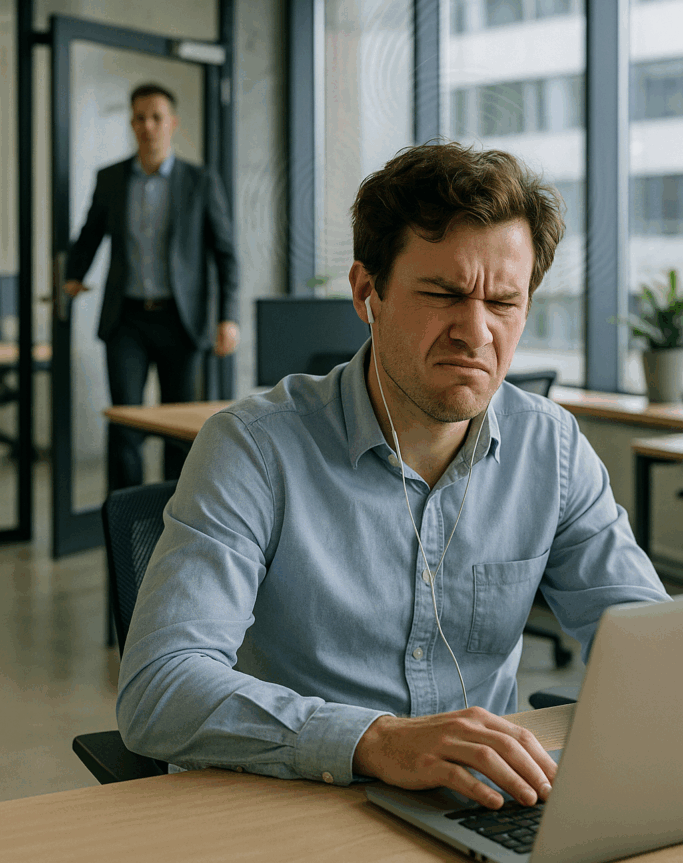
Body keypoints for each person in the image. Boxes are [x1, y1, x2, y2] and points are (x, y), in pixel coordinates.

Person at [117, 141, 669, 810]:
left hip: (484, 809)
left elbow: (649, 652)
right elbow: (159, 689)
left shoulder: (549, 448)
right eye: (442, 293)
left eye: (503, 302)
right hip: (302, 804)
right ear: (365, 292)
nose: (475, 332)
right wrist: (373, 741)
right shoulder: (253, 449)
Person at [64, 82, 239, 490]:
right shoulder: (111, 179)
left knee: (180, 429)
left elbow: (226, 253)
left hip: (182, 320)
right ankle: (127, 525)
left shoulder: (199, 181)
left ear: (172, 123)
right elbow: (91, 233)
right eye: (140, 118)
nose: (148, 126)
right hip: (126, 320)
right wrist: (73, 276)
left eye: (156, 117)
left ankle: (178, 524)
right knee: (124, 424)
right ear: (131, 123)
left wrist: (228, 317)